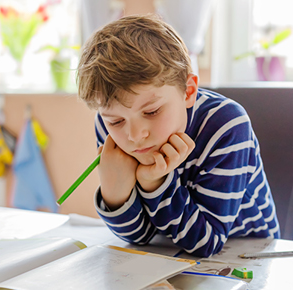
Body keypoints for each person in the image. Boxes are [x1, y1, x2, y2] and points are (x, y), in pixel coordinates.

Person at [77, 14, 280, 257]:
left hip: (250, 255)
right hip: (170, 253)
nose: (135, 135)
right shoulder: (108, 126)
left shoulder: (226, 126)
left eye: (151, 111)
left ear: (188, 91)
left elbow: (207, 242)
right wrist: (115, 193)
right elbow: (140, 237)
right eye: (116, 121)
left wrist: (155, 183)